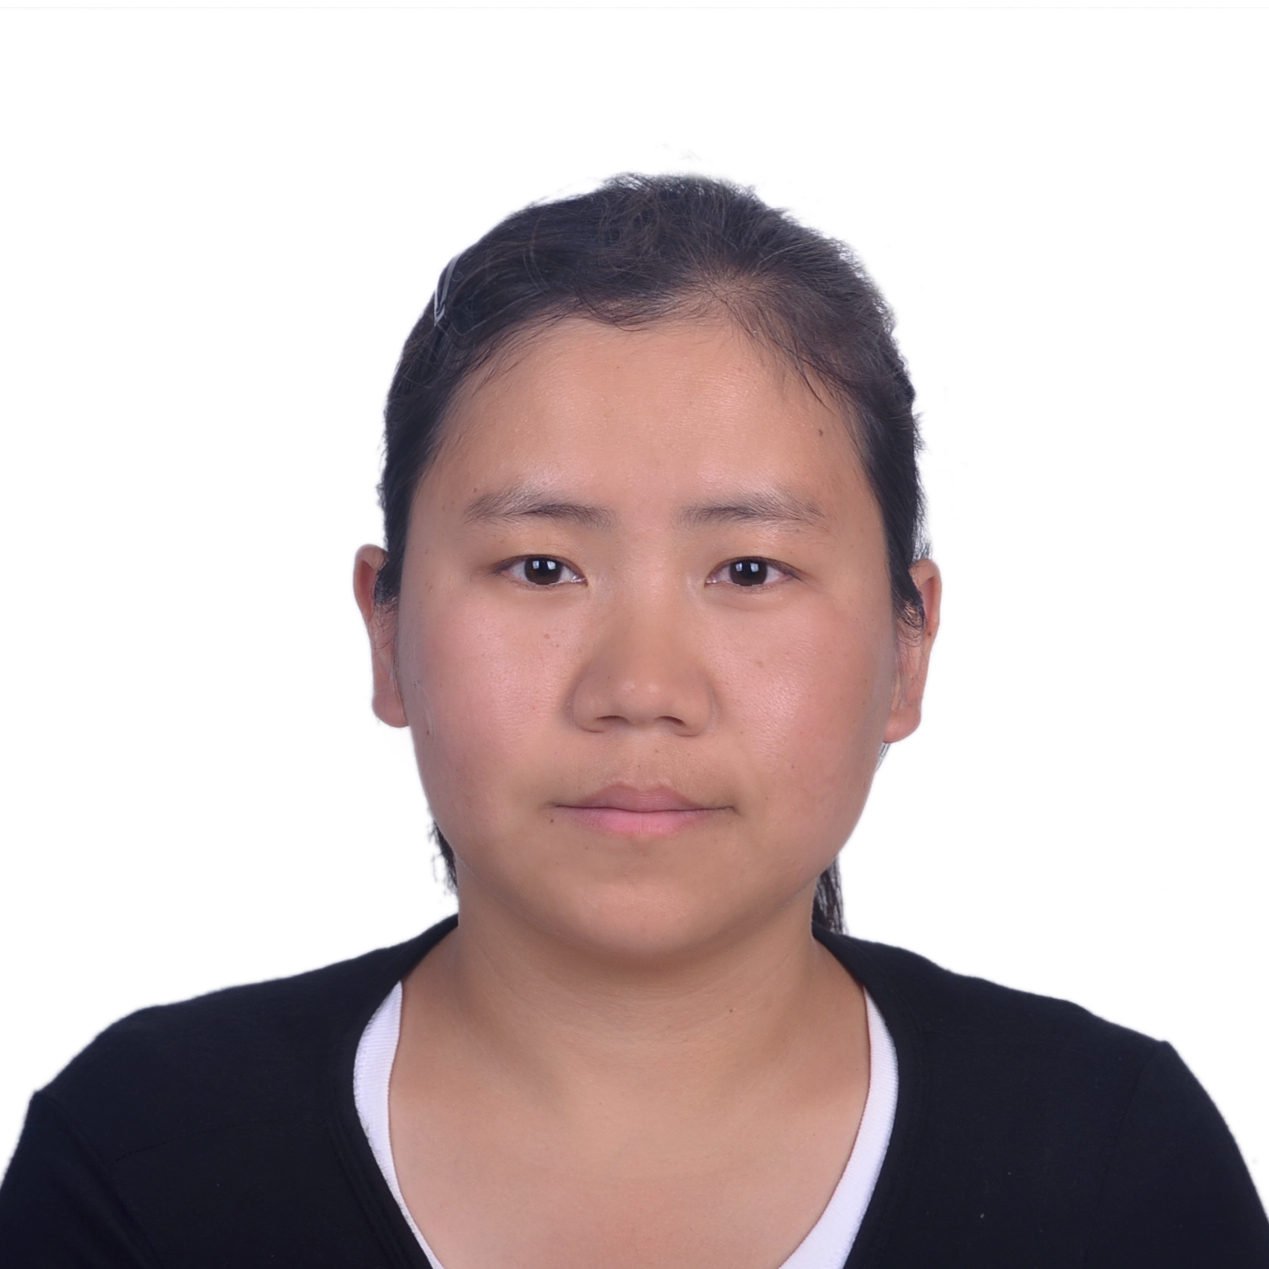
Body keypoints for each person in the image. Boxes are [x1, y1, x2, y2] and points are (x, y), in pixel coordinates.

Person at [1, 174, 1266, 1269]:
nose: (641, 685)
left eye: (751, 570)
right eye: (542, 567)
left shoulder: (1113, 1169)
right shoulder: (145, 1165)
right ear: (386, 631)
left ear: (906, 648)